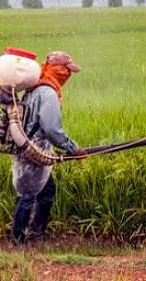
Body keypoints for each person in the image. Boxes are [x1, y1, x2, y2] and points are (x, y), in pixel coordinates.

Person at [9, 51, 87, 244]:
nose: (67, 76)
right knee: (27, 195)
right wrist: (73, 148)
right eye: (66, 71)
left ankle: (36, 234)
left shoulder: (34, 88)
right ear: (59, 70)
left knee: (46, 191)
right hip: (34, 152)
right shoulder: (48, 92)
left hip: (28, 149)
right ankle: (17, 241)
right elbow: (52, 129)